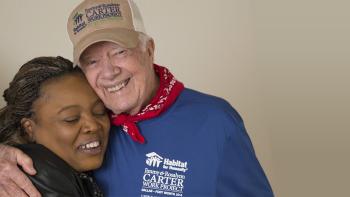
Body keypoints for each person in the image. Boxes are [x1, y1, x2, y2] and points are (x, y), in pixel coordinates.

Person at [0, 0, 274, 196]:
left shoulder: (214, 120)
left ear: (149, 49)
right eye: (92, 61)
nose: (109, 71)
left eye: (120, 52)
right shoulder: (92, 126)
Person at [0, 56, 110, 196]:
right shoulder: (43, 182)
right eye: (71, 119)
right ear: (29, 129)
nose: (93, 126)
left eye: (99, 112)